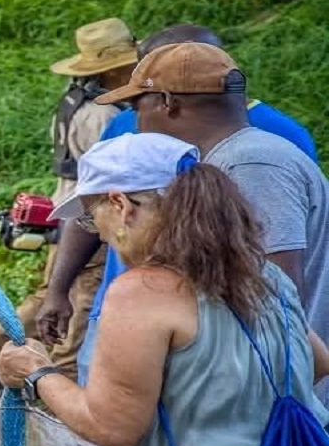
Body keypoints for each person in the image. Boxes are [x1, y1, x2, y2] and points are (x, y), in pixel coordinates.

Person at [0, 132, 329, 446]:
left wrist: (37, 372)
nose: (101, 235)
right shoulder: (265, 277)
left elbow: (113, 427)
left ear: (122, 204)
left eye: (94, 218)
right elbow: (316, 363)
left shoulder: (143, 292)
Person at [43, 39, 329, 408]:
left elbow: (275, 298)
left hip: (275, 400)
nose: (133, 120)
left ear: (167, 102)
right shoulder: (222, 160)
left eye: (135, 106)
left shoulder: (251, 164)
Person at [0, 18, 136, 395]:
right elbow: (105, 178)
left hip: (63, 209)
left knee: (51, 292)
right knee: (84, 302)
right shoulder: (105, 114)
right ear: (116, 66)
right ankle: (68, 382)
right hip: (89, 218)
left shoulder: (76, 100)